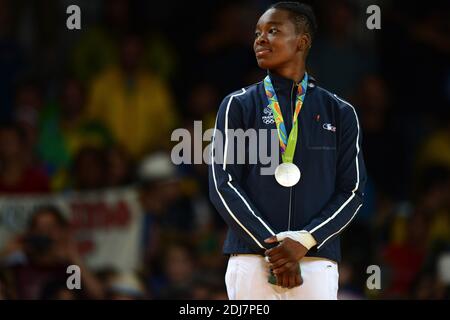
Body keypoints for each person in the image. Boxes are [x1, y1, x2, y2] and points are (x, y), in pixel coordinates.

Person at [208, 2, 367, 299]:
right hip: (252, 259)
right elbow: (222, 184)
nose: (260, 39)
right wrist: (276, 250)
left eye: (273, 31)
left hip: (315, 259)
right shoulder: (238, 105)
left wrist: (305, 240)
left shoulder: (340, 111)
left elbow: (353, 191)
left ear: (302, 42)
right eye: (257, 33)